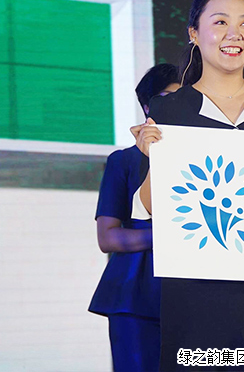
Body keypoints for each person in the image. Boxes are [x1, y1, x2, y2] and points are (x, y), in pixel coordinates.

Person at [133, 0, 244, 371]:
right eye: (220, 23)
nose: (235, 34)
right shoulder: (170, 109)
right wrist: (153, 158)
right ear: (194, 34)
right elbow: (153, 208)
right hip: (195, 292)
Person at [89, 63, 180, 372]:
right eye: (167, 98)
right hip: (135, 293)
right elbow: (108, 237)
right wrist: (174, 236)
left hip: (193, 295)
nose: (177, 106)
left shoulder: (208, 160)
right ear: (147, 106)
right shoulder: (124, 161)